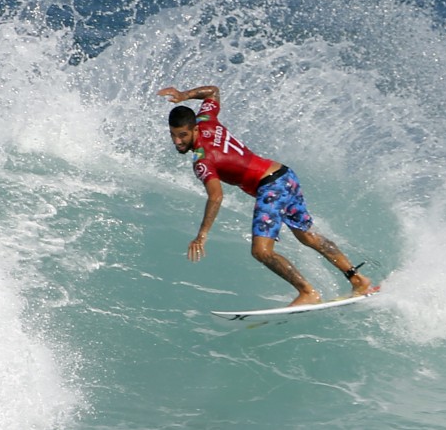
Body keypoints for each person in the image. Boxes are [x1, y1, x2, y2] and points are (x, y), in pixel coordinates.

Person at [157, 84, 376, 306]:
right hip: (285, 176)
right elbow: (213, 91)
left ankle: (308, 293)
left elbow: (216, 196)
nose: (177, 141)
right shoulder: (206, 120)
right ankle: (358, 280)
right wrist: (185, 96)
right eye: (173, 135)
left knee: (261, 251)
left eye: (183, 135)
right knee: (308, 236)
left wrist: (201, 235)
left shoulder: (203, 160)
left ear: (194, 130)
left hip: (271, 186)